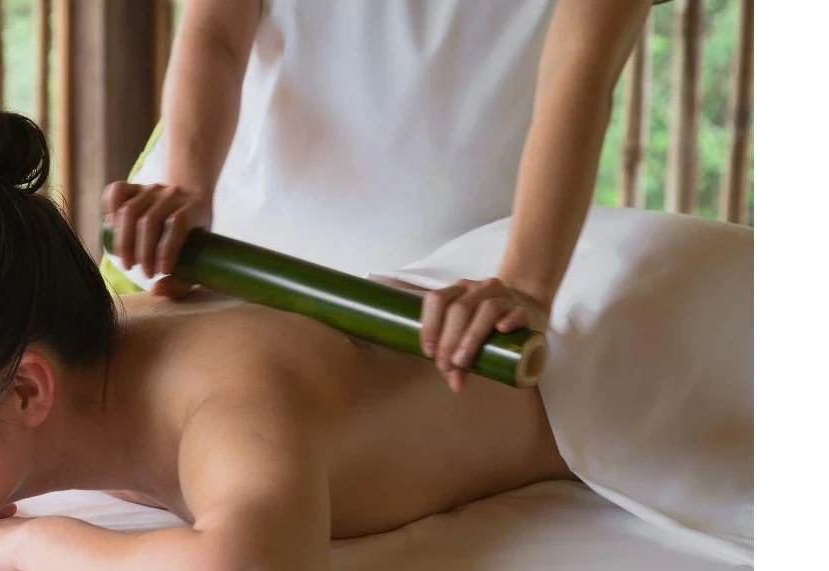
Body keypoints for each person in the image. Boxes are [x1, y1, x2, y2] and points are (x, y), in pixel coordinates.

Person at [0, 81, 575, 571]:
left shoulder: (221, 398)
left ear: (26, 389)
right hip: (437, 294)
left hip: (596, 366)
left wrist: (27, 544)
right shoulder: (60, 339)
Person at [101, 0, 651, 394]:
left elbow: (579, 70)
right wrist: (189, 190)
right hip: (211, 253)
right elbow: (216, 31)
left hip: (431, 309)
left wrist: (526, 285)